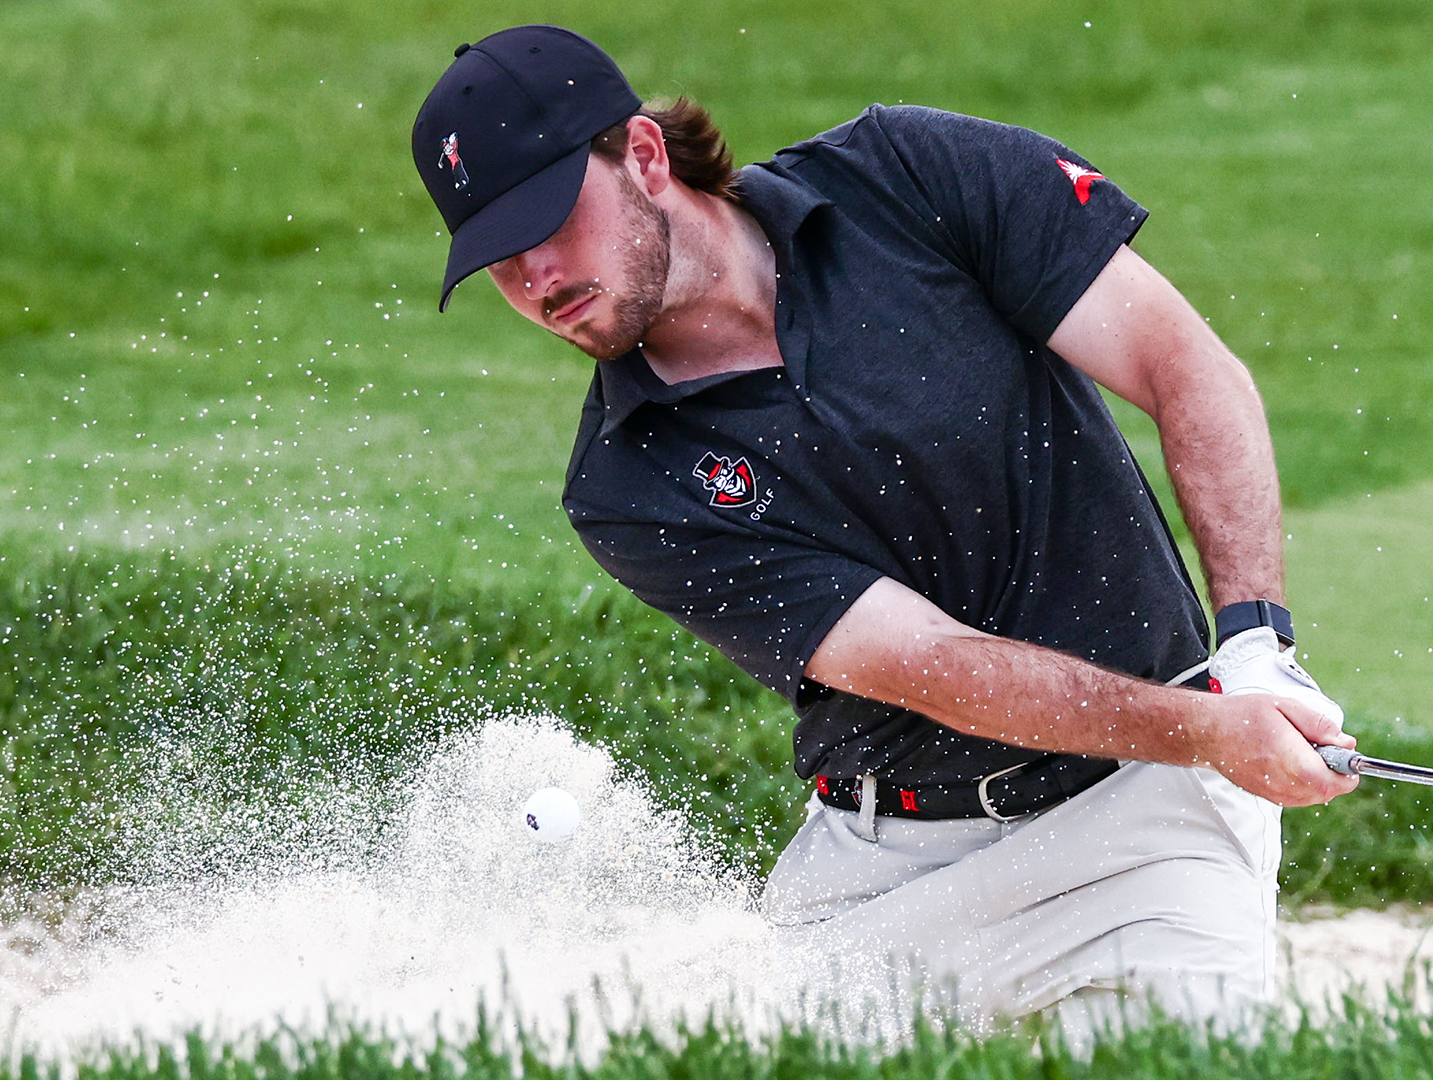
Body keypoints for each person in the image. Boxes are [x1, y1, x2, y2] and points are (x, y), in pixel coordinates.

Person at [411, 25, 1358, 1027]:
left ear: (644, 156)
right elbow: (942, 666)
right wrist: (1212, 728)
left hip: (1148, 826)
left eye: (552, 221)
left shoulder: (909, 176)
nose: (538, 282)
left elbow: (1187, 368)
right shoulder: (627, 482)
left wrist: (1255, 645)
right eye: (499, 262)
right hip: (886, 878)